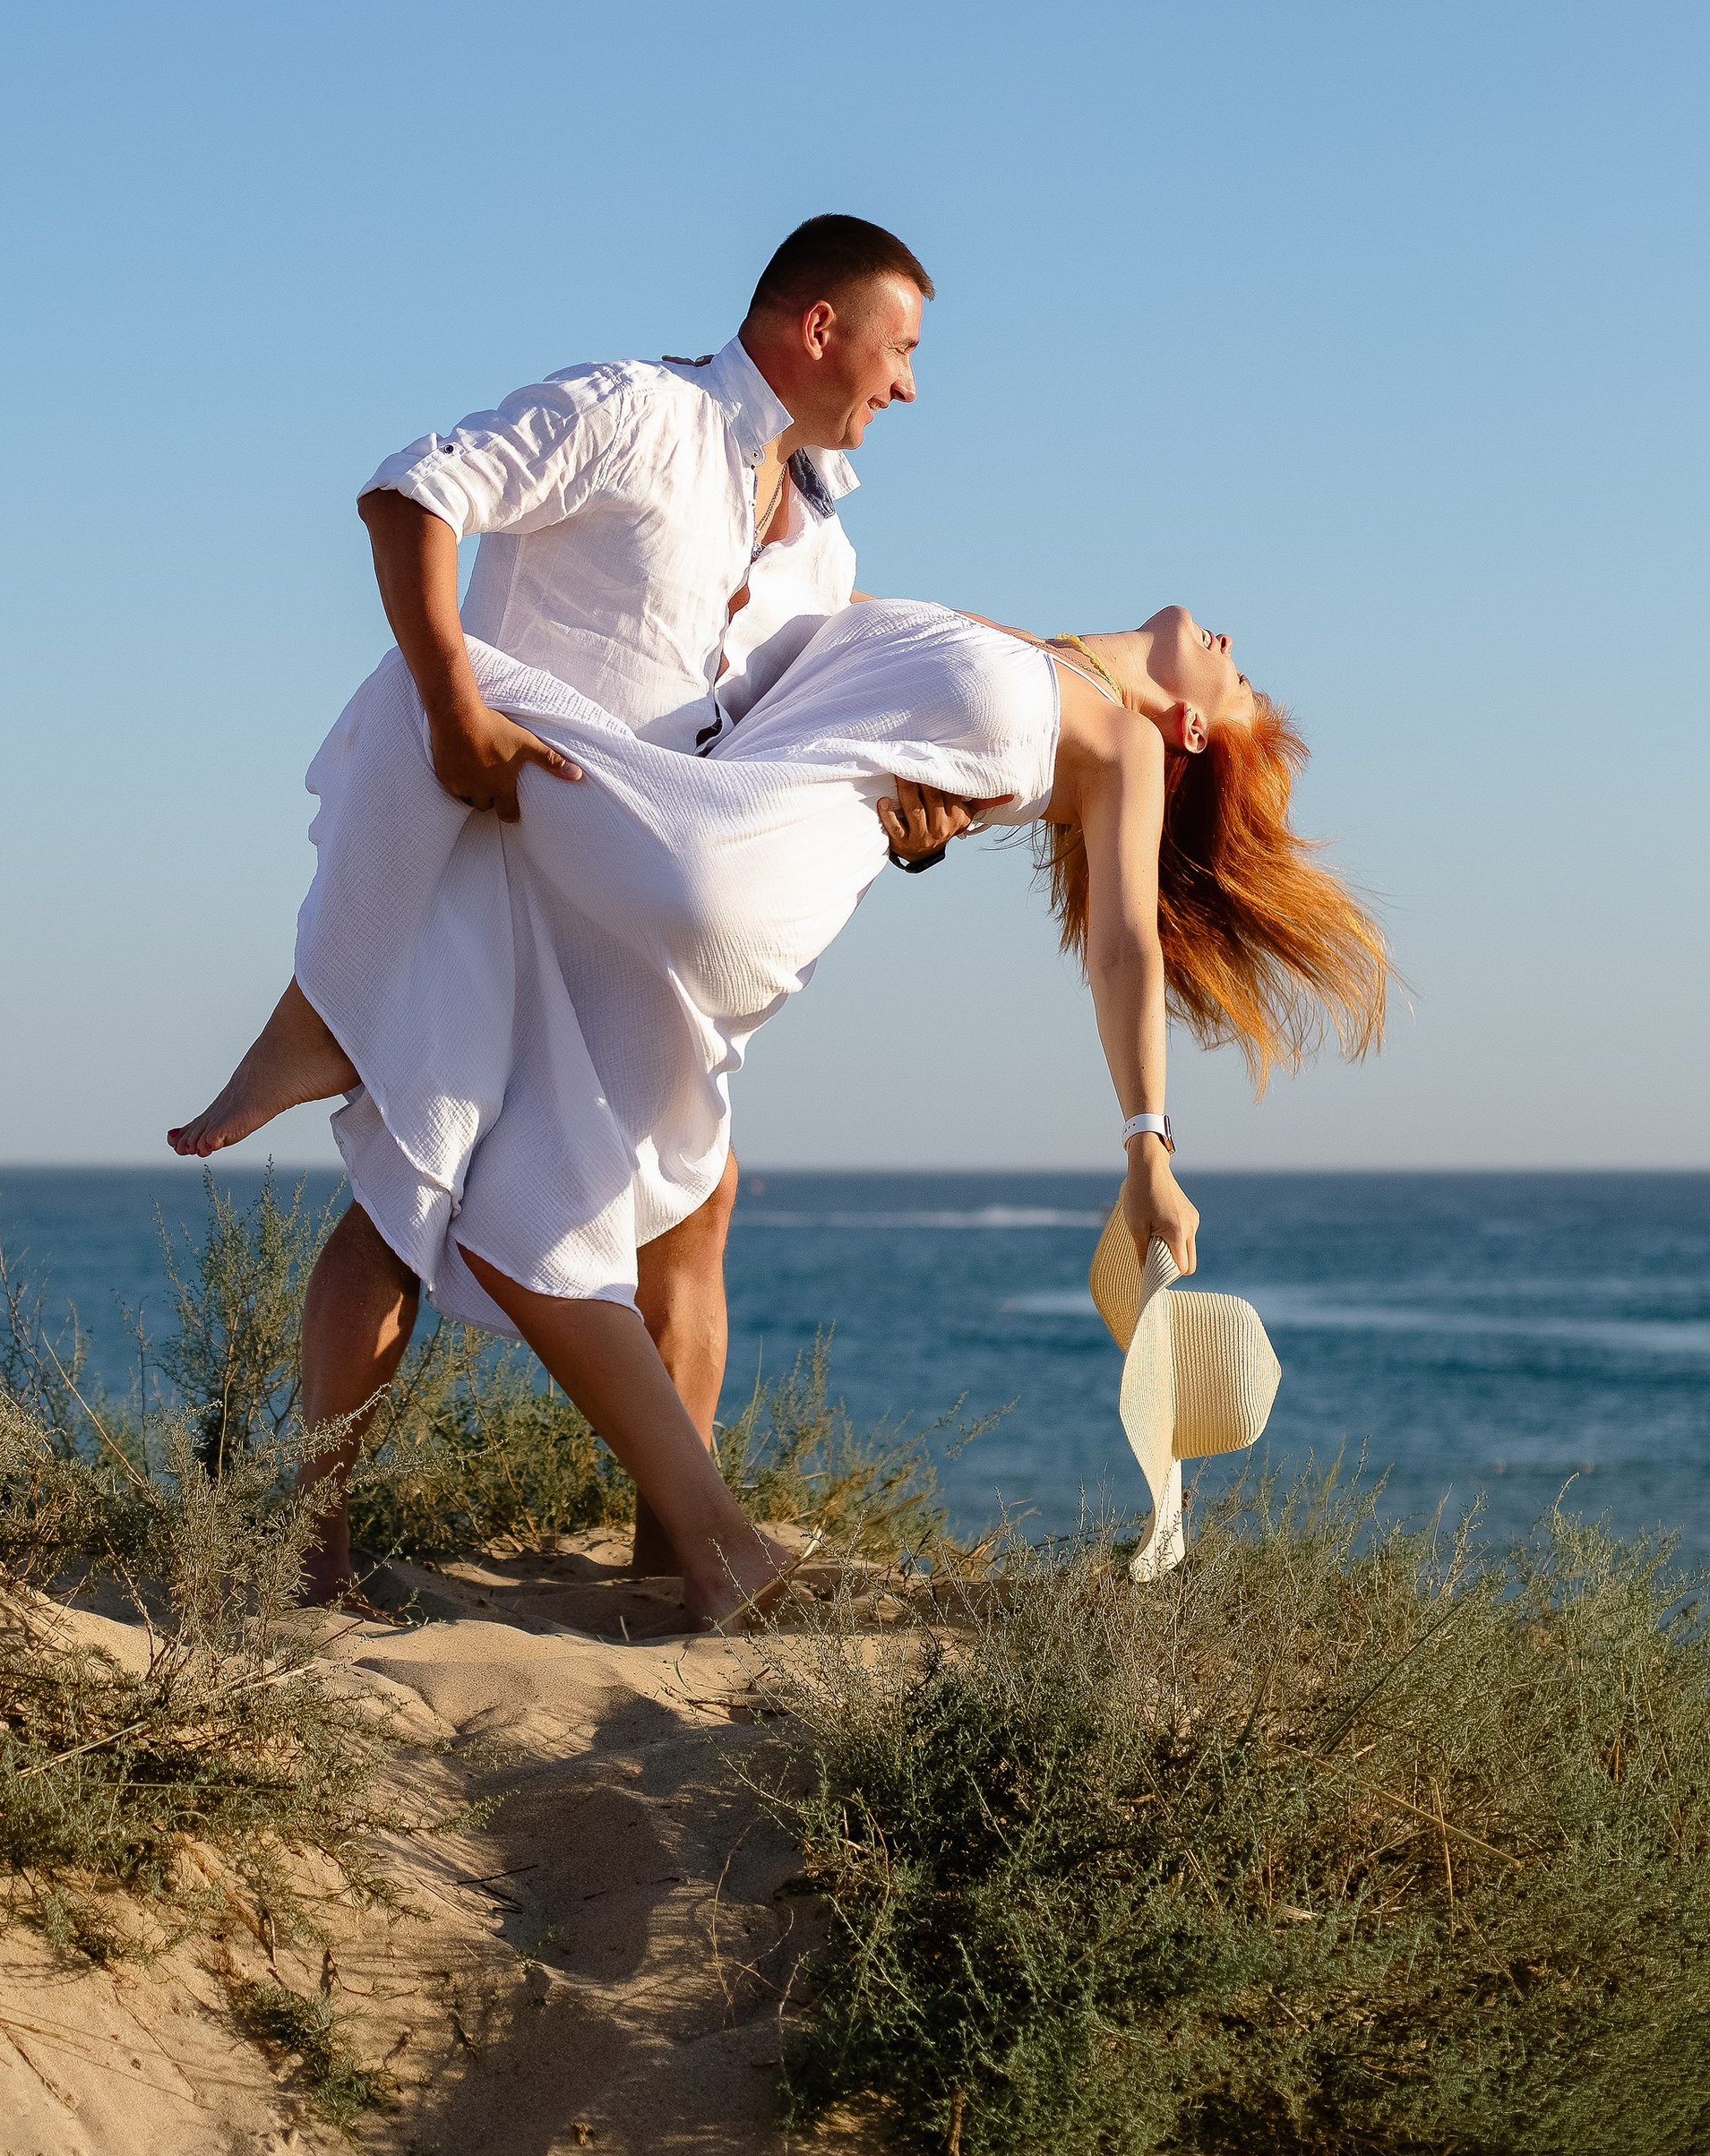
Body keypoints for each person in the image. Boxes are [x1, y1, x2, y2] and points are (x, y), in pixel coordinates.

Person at [193, 596, 1386, 1626]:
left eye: (1242, 690)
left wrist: (1147, 1145)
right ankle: (692, 1547)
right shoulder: (1033, 655)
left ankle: (326, 1015)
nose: (1236, 652)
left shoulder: (1119, 740)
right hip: (722, 838)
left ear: (1189, 731)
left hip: (735, 862)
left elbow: (1124, 946)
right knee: (584, 1201)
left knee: (434, 677)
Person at [170, 214, 969, 1598]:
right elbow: (411, 493)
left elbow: (792, 748)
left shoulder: (823, 559)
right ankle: (311, 1555)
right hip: (493, 862)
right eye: (899, 348)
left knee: (696, 1198)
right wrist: (452, 712)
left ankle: (675, 1558)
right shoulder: (637, 412)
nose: (909, 384)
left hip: (624, 920)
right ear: (820, 327)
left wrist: (910, 822)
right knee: (407, 1192)